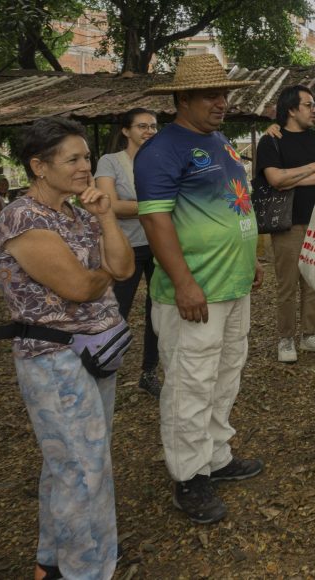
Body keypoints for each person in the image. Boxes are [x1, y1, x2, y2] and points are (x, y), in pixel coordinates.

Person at [0, 117, 134, 580]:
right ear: (39, 166)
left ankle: (52, 562)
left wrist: (106, 216)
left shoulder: (79, 212)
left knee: (71, 464)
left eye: (86, 157)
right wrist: (103, 274)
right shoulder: (22, 218)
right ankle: (86, 571)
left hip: (95, 352)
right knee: (82, 469)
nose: (84, 167)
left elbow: (125, 267)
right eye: (72, 159)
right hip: (54, 360)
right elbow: (79, 287)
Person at [135, 54, 265, 524]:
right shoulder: (162, 150)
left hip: (232, 285)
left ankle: (215, 455)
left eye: (224, 93)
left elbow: (235, 204)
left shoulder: (220, 142)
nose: (221, 102)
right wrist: (184, 283)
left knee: (225, 374)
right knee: (189, 384)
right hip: (194, 293)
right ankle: (188, 476)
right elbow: (155, 220)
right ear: (183, 99)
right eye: (211, 95)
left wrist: (251, 258)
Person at [255, 85, 315, 363]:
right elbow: (274, 179)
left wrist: (291, 178)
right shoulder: (271, 141)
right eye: (308, 105)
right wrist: (312, 167)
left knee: (312, 282)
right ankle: (285, 338)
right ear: (291, 109)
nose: (314, 110)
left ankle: (309, 334)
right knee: (286, 285)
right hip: (286, 225)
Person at [95, 108, 162, 397]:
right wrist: (156, 207)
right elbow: (110, 205)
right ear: (126, 131)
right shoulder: (110, 162)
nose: (149, 131)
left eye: (153, 126)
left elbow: (177, 198)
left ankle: (149, 372)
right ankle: (103, 368)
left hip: (159, 244)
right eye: (142, 126)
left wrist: (131, 206)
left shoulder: (161, 160)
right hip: (125, 247)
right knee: (117, 310)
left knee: (158, 311)